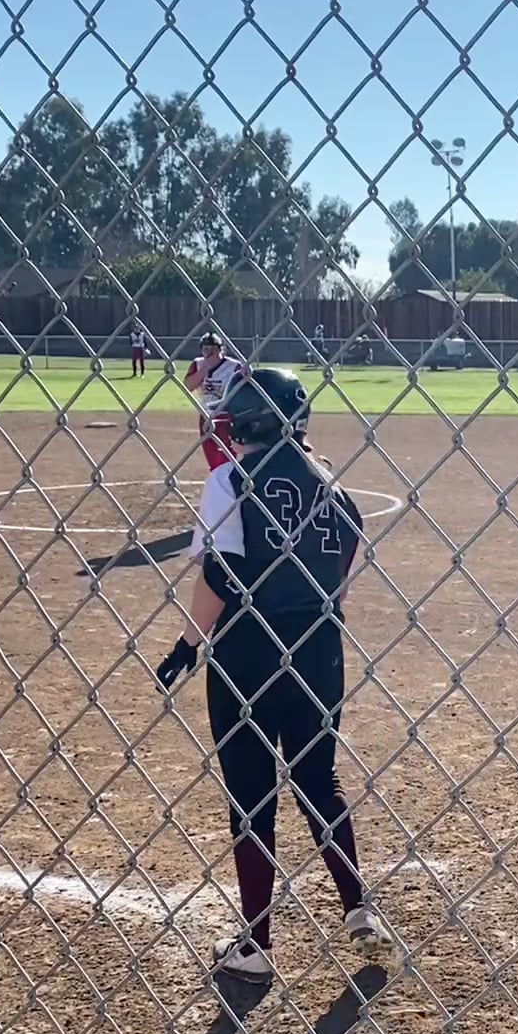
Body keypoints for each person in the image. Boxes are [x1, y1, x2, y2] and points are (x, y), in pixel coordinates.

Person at [155, 366, 393, 982]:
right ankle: (359, 908)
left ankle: (256, 945)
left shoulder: (230, 479)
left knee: (251, 791)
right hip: (319, 647)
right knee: (317, 775)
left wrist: (187, 645)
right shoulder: (334, 487)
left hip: (249, 651)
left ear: (247, 424)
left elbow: (221, 575)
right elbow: (343, 575)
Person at [185, 331, 246, 472]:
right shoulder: (198, 364)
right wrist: (204, 369)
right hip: (206, 416)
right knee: (212, 458)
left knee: (226, 458)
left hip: (227, 417)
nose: (209, 353)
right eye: (205, 349)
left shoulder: (234, 366)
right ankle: (218, 479)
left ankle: (227, 479)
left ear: (221, 350)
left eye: (213, 349)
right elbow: (188, 386)